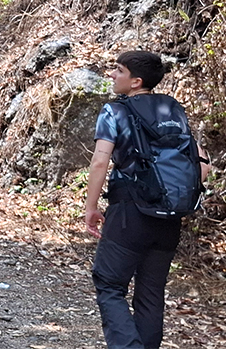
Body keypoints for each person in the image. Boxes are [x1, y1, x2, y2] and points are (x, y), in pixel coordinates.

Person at [83, 51, 210, 349]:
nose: (112, 75)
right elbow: (202, 163)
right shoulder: (173, 110)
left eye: (118, 70)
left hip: (130, 213)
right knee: (151, 293)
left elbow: (100, 161)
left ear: (136, 81)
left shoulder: (114, 112)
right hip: (170, 216)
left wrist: (91, 207)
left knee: (109, 283)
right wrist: (174, 195)